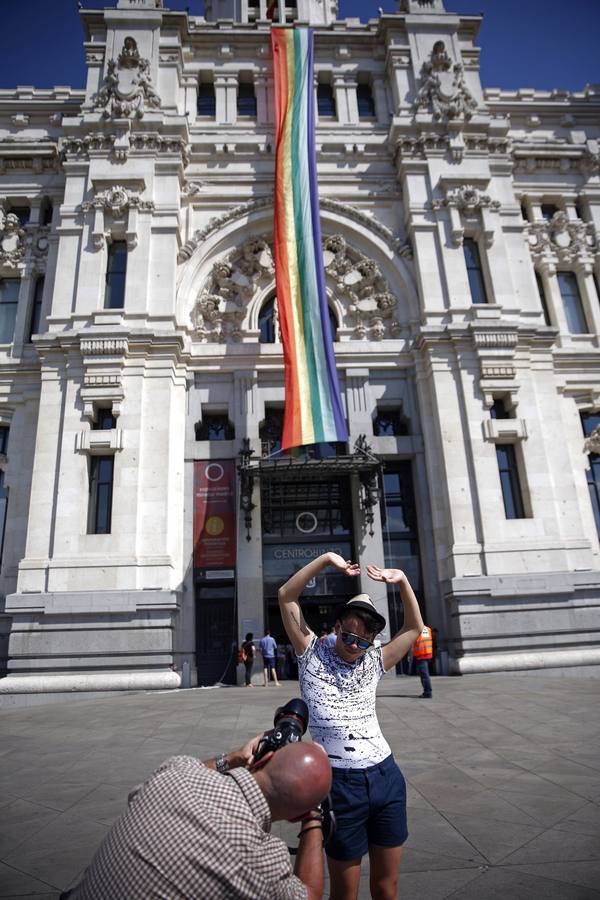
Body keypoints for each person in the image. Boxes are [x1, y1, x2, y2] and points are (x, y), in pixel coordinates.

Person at [278, 552, 424, 900]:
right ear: (339, 627)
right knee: (346, 894)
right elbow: (286, 596)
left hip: (386, 778)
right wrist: (327, 560)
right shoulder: (311, 653)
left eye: (363, 642)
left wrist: (402, 580)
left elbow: (413, 629)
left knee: (386, 888)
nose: (354, 648)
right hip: (340, 786)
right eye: (349, 638)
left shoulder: (374, 661)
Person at [63, 735, 332, 900]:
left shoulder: (176, 773)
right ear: (295, 817)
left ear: (264, 760)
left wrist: (235, 757)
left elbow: (187, 769)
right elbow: (309, 894)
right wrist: (314, 818)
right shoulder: (263, 861)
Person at [413, 623, 433, 698]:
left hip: (421, 655)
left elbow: (417, 642)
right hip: (427, 654)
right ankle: (427, 691)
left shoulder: (417, 630)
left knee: (424, 675)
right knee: (424, 674)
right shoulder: (427, 629)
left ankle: (427, 692)